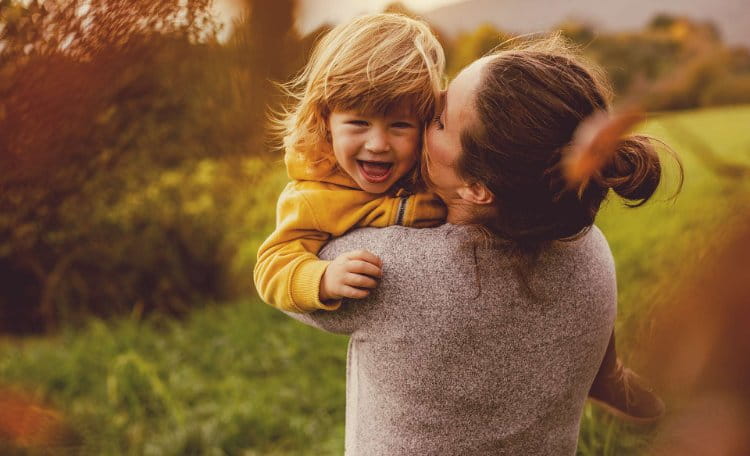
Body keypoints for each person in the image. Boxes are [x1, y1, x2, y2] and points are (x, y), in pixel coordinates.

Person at [281, 36, 682, 455]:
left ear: (476, 188)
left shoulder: (386, 268)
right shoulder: (589, 248)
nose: (424, 105)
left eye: (437, 120)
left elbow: (291, 274)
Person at [253, 13, 446, 314]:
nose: (378, 144)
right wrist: (323, 279)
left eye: (400, 126)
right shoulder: (314, 195)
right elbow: (271, 267)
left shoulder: (433, 168)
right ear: (325, 120)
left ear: (424, 125)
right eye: (358, 123)